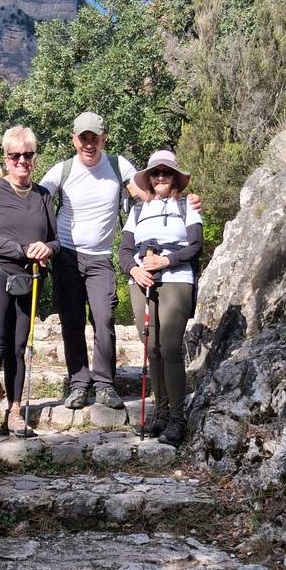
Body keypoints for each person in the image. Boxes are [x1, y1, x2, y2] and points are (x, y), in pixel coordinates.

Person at [39, 112, 141, 409]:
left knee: (104, 317)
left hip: (100, 257)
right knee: (72, 320)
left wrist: (182, 201)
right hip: (67, 255)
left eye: (94, 137)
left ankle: (105, 385)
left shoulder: (118, 165)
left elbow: (143, 192)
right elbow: (35, 199)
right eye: (83, 138)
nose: (89, 143)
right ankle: (79, 384)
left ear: (103, 138)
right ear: (74, 139)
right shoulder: (63, 170)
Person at [0, 126, 60, 443]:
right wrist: (21, 250)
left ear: (35, 159)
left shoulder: (43, 196)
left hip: (28, 278)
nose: (22, 161)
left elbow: (56, 239)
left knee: (18, 348)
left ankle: (15, 411)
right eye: (15, 155)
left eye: (28, 155)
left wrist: (47, 248)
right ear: (6, 159)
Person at [118, 150, 202, 448]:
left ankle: (177, 417)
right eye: (156, 173)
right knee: (151, 348)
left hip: (177, 280)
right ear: (149, 179)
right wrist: (134, 270)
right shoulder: (137, 211)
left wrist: (167, 262)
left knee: (169, 347)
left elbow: (195, 246)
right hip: (142, 281)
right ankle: (162, 411)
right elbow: (124, 250)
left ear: (175, 176)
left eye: (166, 172)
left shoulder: (186, 206)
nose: (161, 177)